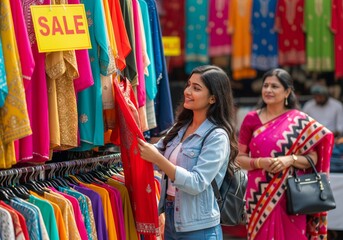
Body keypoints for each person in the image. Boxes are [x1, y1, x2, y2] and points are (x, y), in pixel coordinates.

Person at [137, 65, 238, 239]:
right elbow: (153, 153)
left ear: (213, 98)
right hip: (171, 217)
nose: (187, 91)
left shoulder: (217, 136)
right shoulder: (180, 127)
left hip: (199, 227)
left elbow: (196, 183)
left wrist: (158, 159)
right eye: (189, 85)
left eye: (196, 88)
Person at [236, 68, 334, 240]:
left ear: (287, 91)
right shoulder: (251, 119)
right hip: (258, 197)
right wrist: (260, 163)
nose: (268, 90)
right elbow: (239, 158)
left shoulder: (299, 121)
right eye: (265, 85)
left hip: (292, 197)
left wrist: (290, 159)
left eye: (274, 86)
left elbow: (313, 158)